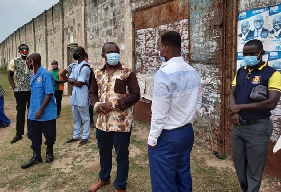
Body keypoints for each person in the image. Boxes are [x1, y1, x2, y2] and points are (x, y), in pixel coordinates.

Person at [148, 31, 202, 192]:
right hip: (186, 133)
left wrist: (152, 139)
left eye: (160, 47)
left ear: (166, 48)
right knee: (183, 176)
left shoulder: (163, 74)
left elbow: (159, 113)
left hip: (167, 136)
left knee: (164, 183)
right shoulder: (193, 72)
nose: (159, 51)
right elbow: (197, 104)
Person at [230, 39, 281, 192]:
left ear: (261, 53)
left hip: (258, 127)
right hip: (238, 127)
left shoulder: (272, 74)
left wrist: (239, 107)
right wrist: (234, 111)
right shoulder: (241, 71)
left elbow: (271, 102)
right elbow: (232, 93)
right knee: (239, 165)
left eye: (252, 54)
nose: (248, 57)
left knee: (254, 170)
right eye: (245, 54)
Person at [88, 42, 140, 192]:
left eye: (116, 51)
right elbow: (92, 93)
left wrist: (113, 104)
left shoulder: (127, 72)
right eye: (110, 52)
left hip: (120, 123)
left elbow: (135, 95)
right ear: (103, 55)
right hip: (102, 123)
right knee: (104, 153)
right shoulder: (97, 73)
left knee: (121, 155)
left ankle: (120, 186)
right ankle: (104, 178)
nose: (114, 54)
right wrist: (97, 105)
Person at [21, 53, 57, 169]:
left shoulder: (45, 74)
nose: (26, 63)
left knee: (49, 134)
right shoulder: (33, 74)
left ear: (32, 61)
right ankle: (36, 156)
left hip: (46, 112)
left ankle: (49, 152)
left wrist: (41, 109)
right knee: (34, 134)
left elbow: (49, 92)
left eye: (27, 61)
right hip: (33, 111)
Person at [65, 46, 91, 146]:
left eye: (75, 52)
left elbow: (79, 83)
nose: (73, 54)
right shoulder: (76, 66)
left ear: (80, 54)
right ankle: (76, 135)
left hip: (82, 94)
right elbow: (71, 80)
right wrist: (74, 81)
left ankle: (85, 136)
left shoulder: (85, 67)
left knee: (85, 117)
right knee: (76, 117)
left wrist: (74, 81)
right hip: (75, 94)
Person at [8, 44, 31, 143]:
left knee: (31, 112)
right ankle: (19, 134)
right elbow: (10, 76)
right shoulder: (14, 61)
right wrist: (14, 88)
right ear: (19, 51)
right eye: (22, 50)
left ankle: (31, 131)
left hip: (31, 90)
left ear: (28, 51)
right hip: (20, 91)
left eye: (26, 50)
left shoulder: (32, 60)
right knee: (20, 112)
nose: (24, 51)